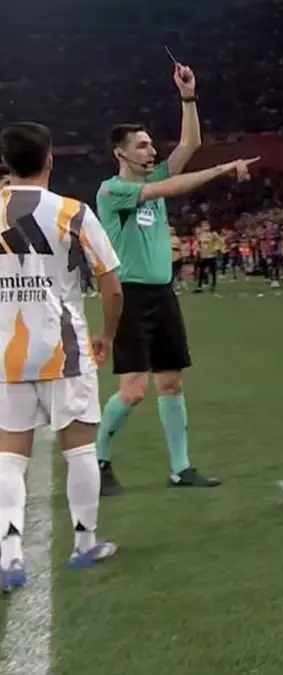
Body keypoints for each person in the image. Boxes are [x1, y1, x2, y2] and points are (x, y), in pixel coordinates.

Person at [93, 64, 260, 495]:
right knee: (132, 392)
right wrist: (223, 170)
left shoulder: (157, 175)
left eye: (152, 145)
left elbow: (191, 143)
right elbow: (171, 189)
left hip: (162, 292)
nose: (152, 152)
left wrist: (188, 97)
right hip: (128, 294)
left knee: (171, 382)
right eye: (143, 146)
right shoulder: (112, 191)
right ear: (121, 153)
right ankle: (98, 460)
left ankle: (181, 468)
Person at [0, 122, 123, 590]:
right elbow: (111, 282)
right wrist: (107, 335)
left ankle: (10, 556)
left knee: (9, 458)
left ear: (9, 164)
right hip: (64, 350)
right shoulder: (73, 213)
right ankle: (84, 542)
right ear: (49, 160)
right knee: (80, 449)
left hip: (7, 354)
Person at [194, 221, 219, 293]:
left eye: (207, 225)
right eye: (204, 226)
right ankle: (199, 286)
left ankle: (213, 286)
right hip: (203, 255)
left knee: (213, 271)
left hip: (211, 255)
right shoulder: (200, 235)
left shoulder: (213, 234)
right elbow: (199, 243)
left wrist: (216, 248)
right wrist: (199, 251)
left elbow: (219, 241)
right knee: (201, 271)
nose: (205, 227)